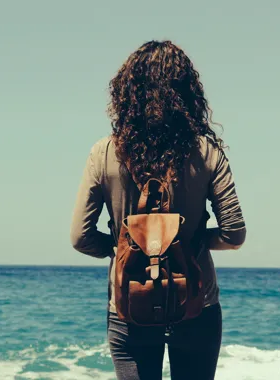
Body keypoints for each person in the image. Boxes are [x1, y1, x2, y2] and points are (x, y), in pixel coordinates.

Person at [70, 40, 246, 380]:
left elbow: (80, 236)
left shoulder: (104, 153)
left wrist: (125, 248)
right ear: (187, 93)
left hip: (129, 302)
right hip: (196, 301)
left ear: (127, 92)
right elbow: (233, 234)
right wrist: (190, 242)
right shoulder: (206, 152)